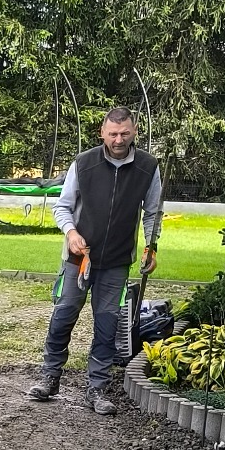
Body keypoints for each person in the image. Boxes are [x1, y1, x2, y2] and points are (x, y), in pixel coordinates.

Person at [27, 106, 162, 415]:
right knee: (63, 316)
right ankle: (50, 377)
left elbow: (153, 212)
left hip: (116, 261)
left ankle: (97, 388)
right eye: (112, 133)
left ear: (134, 132)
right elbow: (62, 207)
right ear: (102, 132)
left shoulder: (147, 166)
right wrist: (71, 233)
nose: (118, 139)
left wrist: (150, 248)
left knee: (106, 324)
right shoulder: (84, 163)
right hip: (79, 259)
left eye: (124, 133)